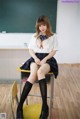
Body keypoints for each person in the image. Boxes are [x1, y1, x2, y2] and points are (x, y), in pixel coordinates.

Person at [16, 15, 58, 119]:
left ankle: (44, 107)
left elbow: (54, 51)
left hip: (48, 59)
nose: (42, 28)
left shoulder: (53, 36)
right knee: (33, 74)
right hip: (35, 58)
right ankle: (19, 107)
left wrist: (45, 59)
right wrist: (35, 58)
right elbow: (30, 50)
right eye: (40, 26)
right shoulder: (34, 36)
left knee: (40, 73)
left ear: (47, 25)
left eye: (43, 25)